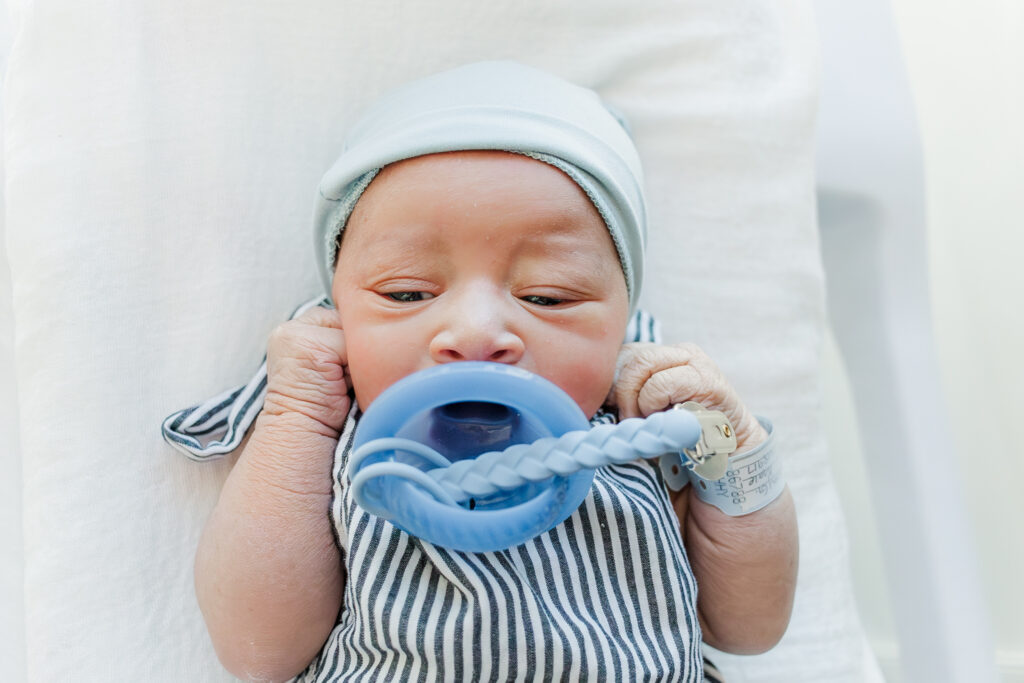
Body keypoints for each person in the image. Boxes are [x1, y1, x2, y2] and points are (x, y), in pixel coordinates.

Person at [175, 61, 798, 682]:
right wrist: (296, 416)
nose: (476, 333)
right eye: (408, 293)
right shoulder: (329, 420)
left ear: (623, 322)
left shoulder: (642, 420)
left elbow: (748, 627)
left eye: (548, 296)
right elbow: (258, 652)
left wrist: (733, 446)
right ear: (336, 311)